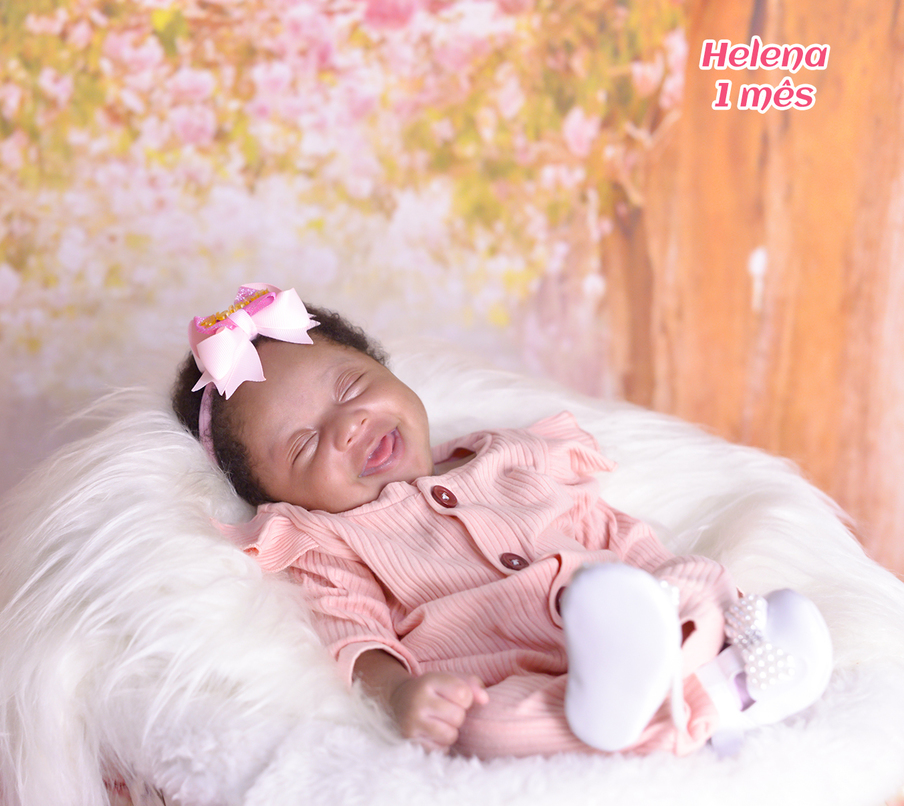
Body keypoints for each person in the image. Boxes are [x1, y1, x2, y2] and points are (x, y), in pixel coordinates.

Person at [171, 284, 833, 758]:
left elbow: (608, 528)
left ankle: (676, 671)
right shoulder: (332, 543)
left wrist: (665, 579)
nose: (347, 426)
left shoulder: (514, 455)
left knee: (700, 577)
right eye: (305, 445)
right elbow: (357, 639)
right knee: (482, 729)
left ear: (389, 372)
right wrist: (402, 696)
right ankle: (715, 697)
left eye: (351, 388)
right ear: (279, 499)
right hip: (515, 674)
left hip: (633, 610)